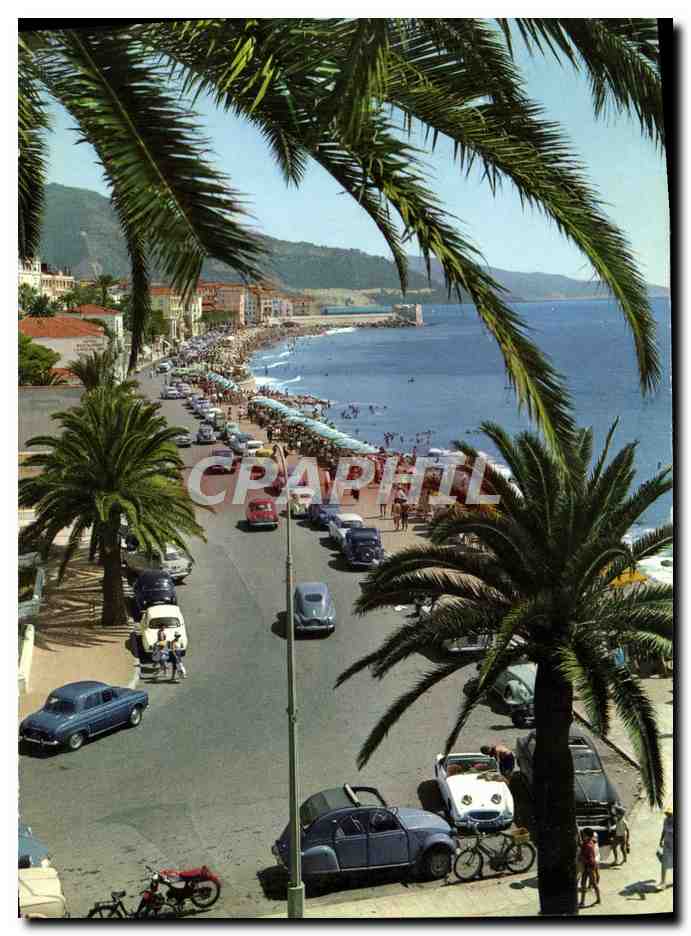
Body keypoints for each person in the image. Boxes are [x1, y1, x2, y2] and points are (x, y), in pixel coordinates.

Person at [579, 828, 601, 907]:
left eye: (584, 835)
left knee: (592, 884)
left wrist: (582, 859)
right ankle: (583, 902)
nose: (583, 836)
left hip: (589, 867)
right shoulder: (588, 843)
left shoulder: (588, 845)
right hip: (587, 866)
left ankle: (598, 899)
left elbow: (591, 859)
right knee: (584, 884)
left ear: (588, 836)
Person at [657, 807, 674, 890]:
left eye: (669, 814)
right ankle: (663, 882)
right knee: (664, 863)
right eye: (666, 814)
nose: (667, 815)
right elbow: (663, 830)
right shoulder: (665, 820)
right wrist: (661, 840)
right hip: (667, 844)